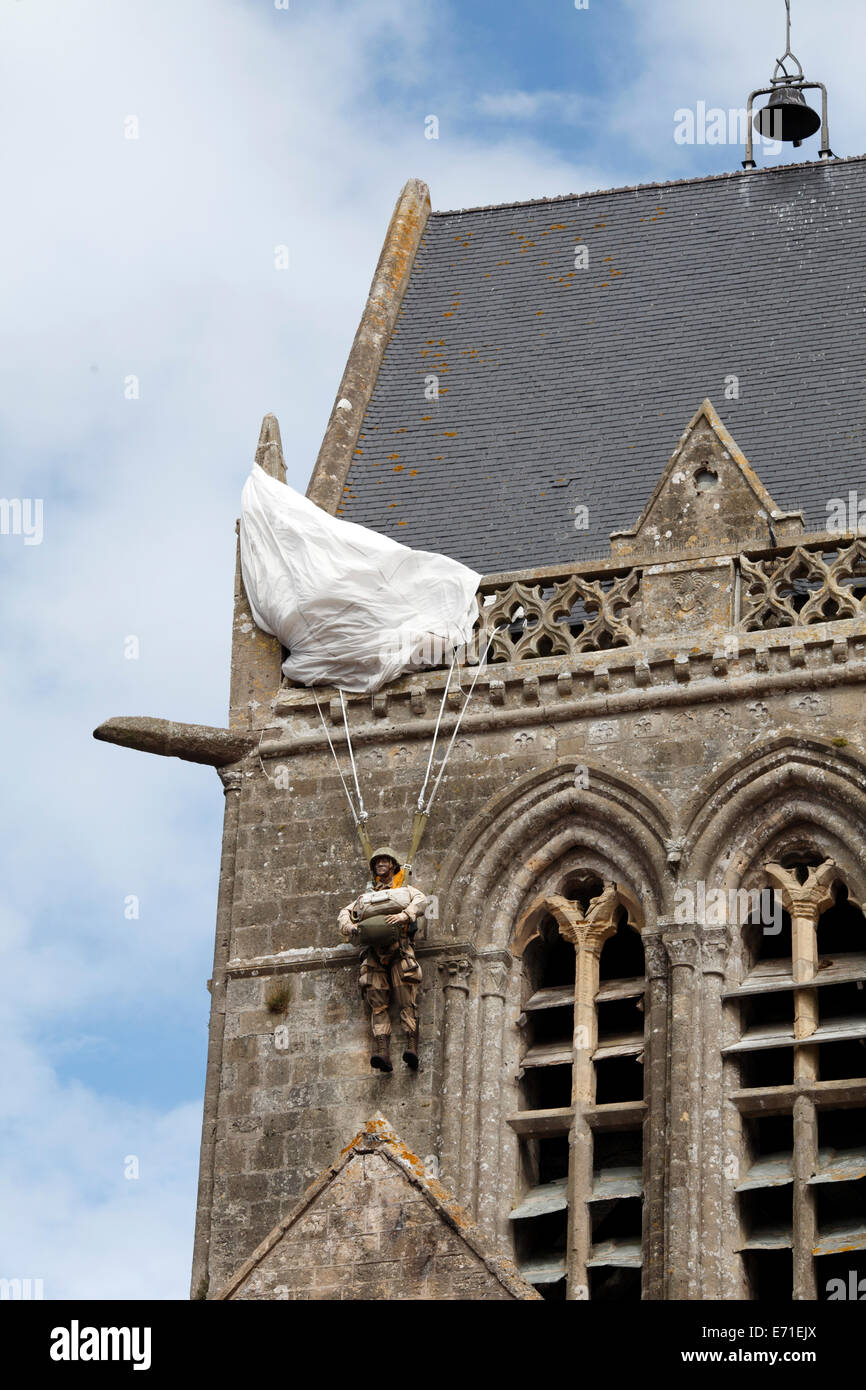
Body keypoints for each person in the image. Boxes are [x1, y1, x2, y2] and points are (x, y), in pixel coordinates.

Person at [337, 846, 426, 1072]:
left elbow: (422, 900)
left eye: (385, 860)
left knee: (407, 997)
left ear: (393, 865)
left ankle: (412, 1046)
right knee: (377, 1001)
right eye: (377, 861)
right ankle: (382, 1051)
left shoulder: (405, 890)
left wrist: (404, 915)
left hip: (400, 950)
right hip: (374, 955)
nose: (380, 864)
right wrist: (351, 927)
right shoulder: (365, 898)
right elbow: (344, 914)